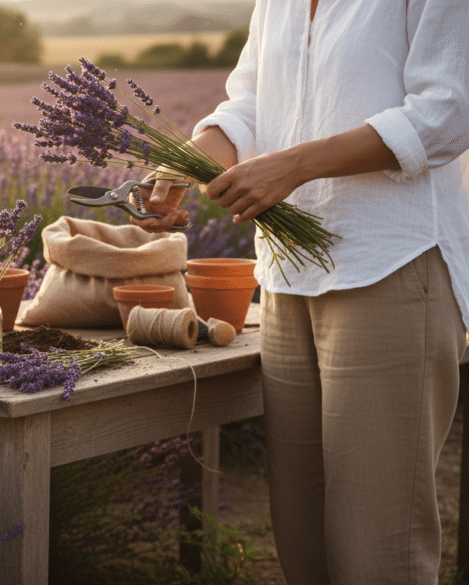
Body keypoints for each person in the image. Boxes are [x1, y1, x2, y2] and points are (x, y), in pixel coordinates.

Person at [135, 0, 469, 583]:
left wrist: (293, 165)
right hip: (288, 277)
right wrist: (183, 167)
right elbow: (249, 103)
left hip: (389, 267)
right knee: (301, 537)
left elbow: (447, 111)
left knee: (376, 551)